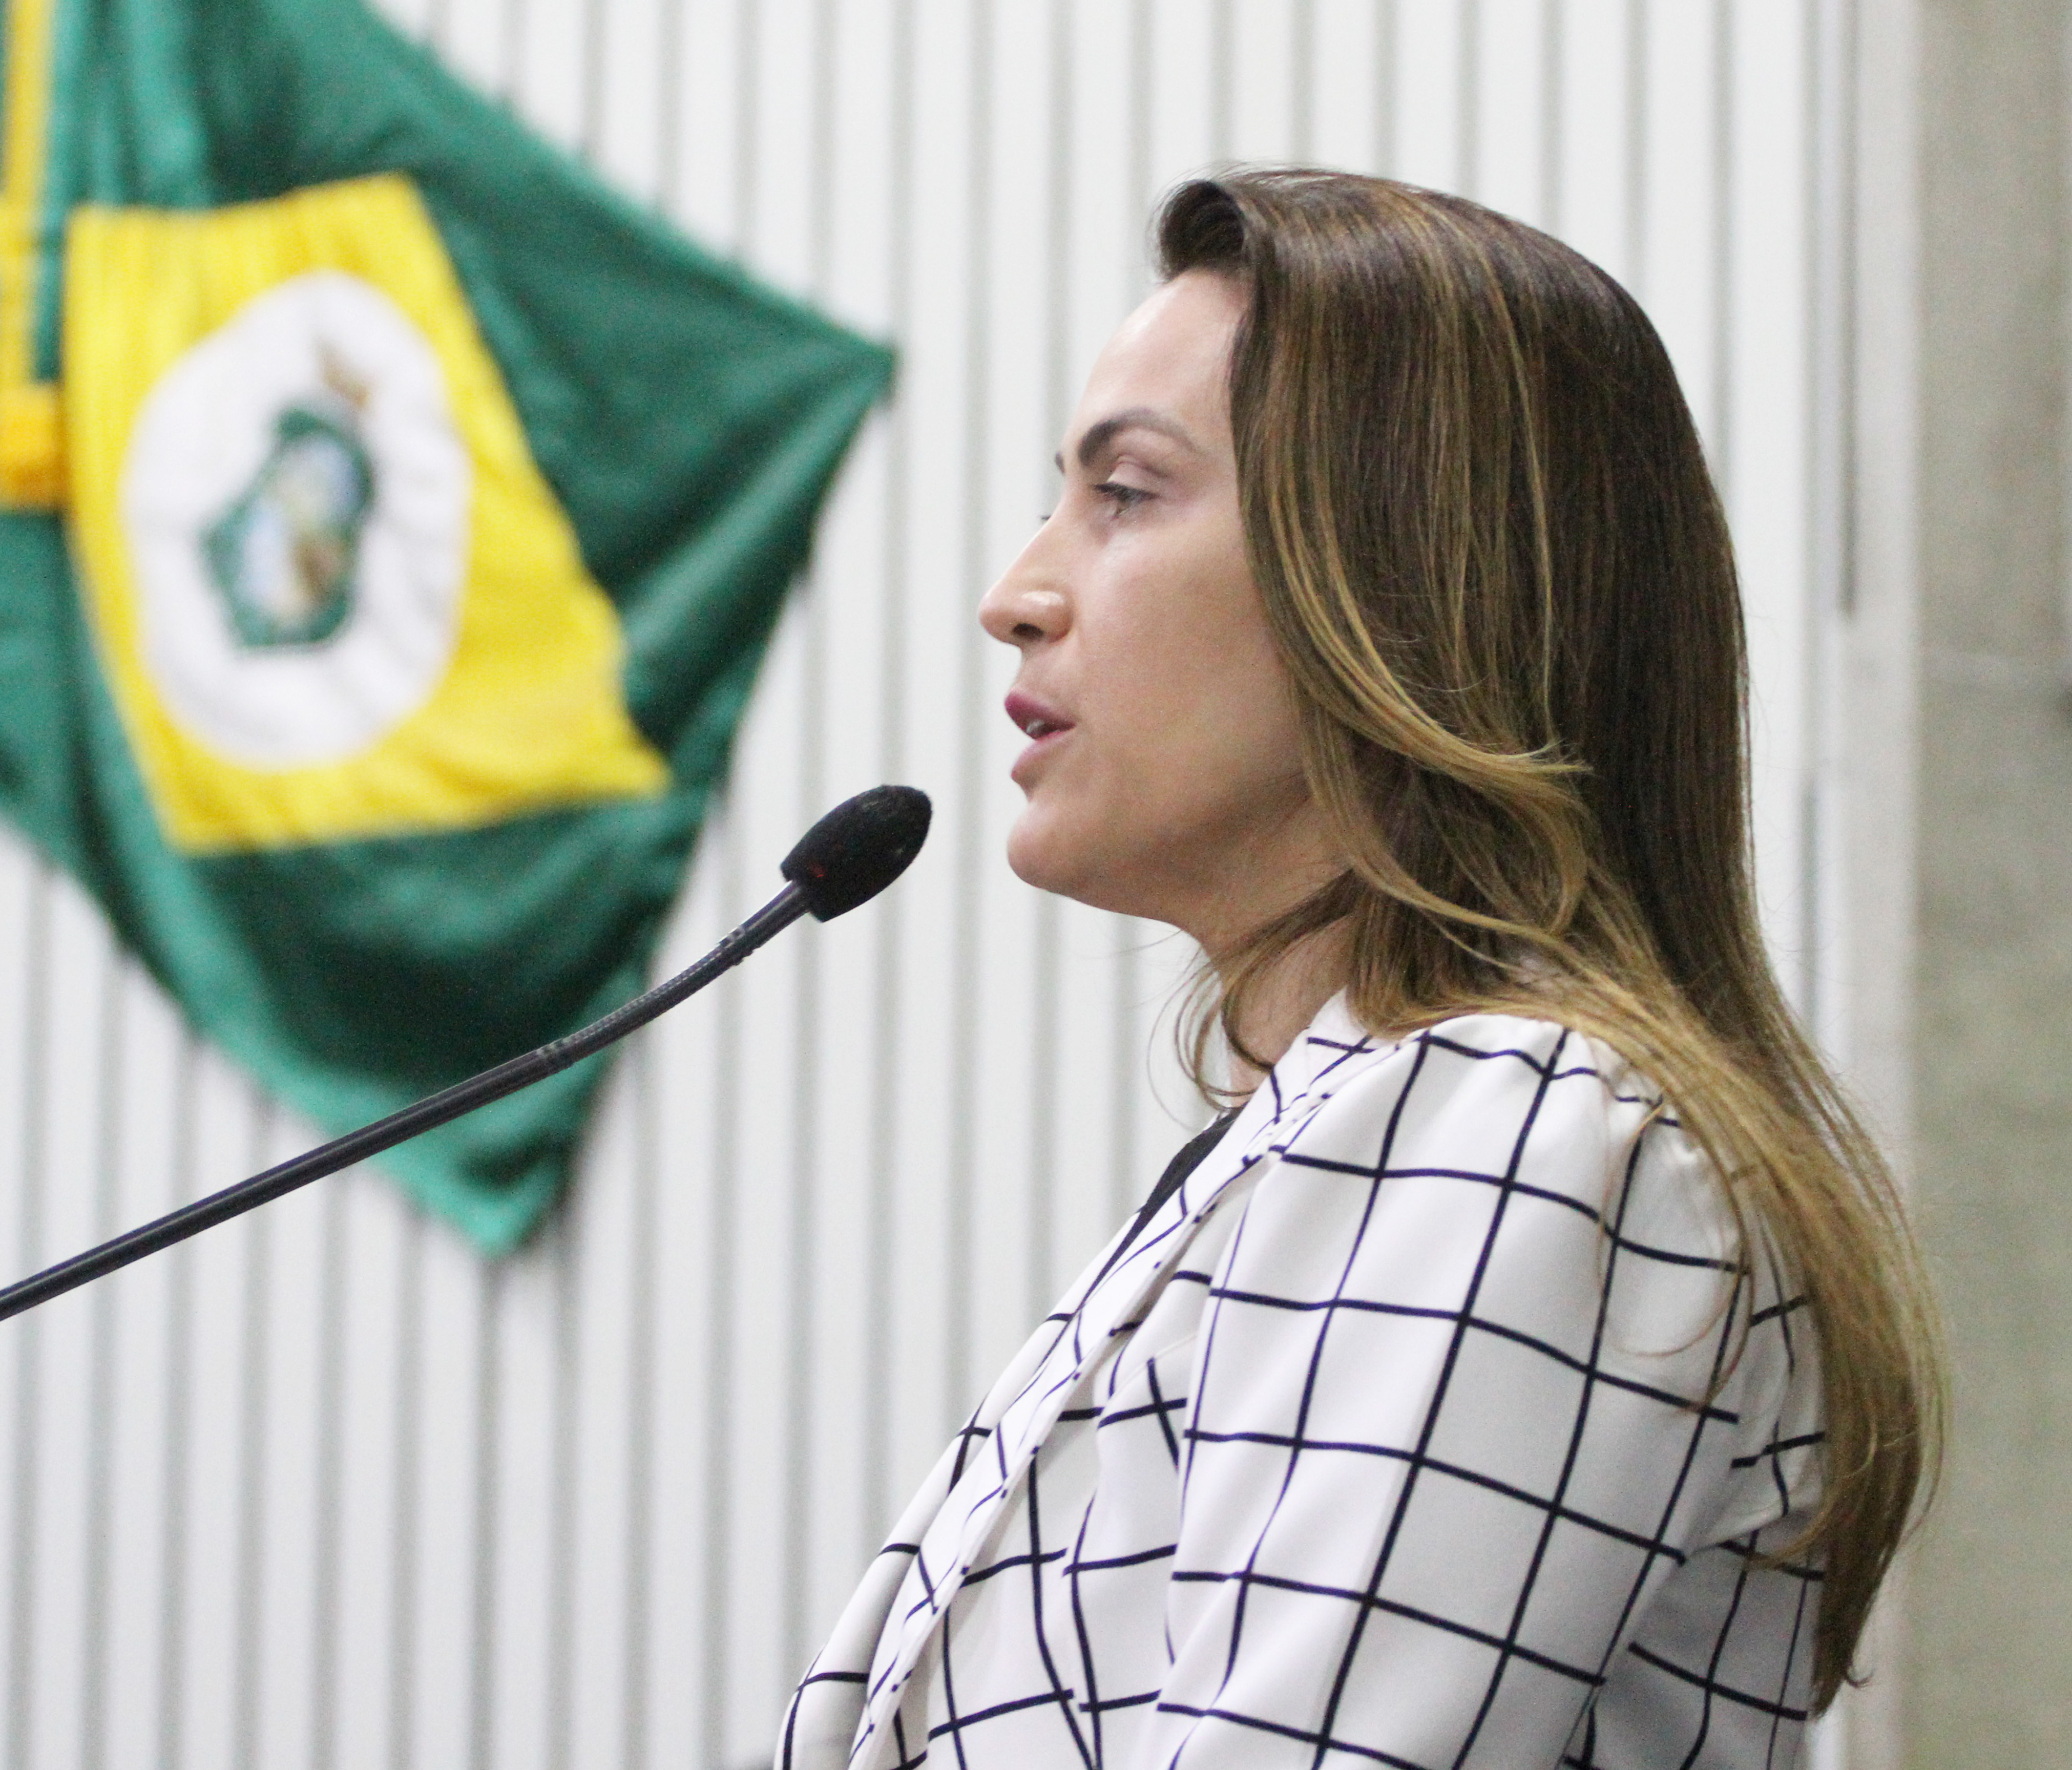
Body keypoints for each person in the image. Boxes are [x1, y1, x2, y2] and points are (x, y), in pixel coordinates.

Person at [776, 168, 1942, 1770]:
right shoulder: (1367, 1129)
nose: (1018, 596)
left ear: (1401, 580)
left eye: (1128, 494)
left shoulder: (1534, 1136)